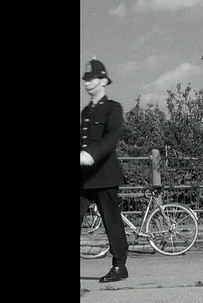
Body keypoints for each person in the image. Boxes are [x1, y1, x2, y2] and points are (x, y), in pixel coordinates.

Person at [80, 59, 129, 283]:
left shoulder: (113, 108)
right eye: (86, 80)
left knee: (112, 222)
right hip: (84, 177)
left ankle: (119, 266)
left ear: (103, 81)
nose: (88, 84)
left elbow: (111, 138)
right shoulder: (86, 111)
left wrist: (91, 154)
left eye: (92, 79)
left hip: (105, 175)